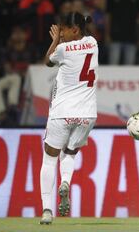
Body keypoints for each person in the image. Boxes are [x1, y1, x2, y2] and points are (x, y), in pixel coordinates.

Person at [39, 12, 98, 225]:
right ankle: (66, 181)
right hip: (87, 114)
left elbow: (47, 62)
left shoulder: (62, 49)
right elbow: (84, 35)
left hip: (62, 112)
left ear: (74, 30)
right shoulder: (93, 43)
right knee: (70, 153)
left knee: (49, 159)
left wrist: (55, 41)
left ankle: (47, 210)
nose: (61, 33)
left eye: (63, 29)